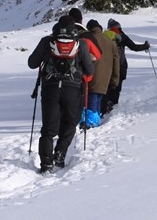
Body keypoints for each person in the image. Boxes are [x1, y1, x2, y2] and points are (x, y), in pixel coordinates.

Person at [28, 15, 94, 173]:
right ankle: (60, 154)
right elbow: (89, 70)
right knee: (71, 121)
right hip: (72, 88)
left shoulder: (47, 41)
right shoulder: (81, 43)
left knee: (48, 129)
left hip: (50, 87)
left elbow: (32, 63)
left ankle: (46, 164)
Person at [103, 18, 149, 112]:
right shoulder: (123, 36)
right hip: (121, 65)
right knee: (117, 86)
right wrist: (145, 46)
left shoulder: (106, 36)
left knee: (108, 86)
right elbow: (134, 47)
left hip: (108, 65)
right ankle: (113, 105)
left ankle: (105, 105)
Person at [81, 19, 120, 126]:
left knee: (91, 98)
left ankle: (90, 123)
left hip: (91, 75)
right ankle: (95, 121)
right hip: (106, 77)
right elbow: (116, 61)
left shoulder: (86, 38)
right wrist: (115, 79)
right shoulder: (110, 42)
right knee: (98, 98)